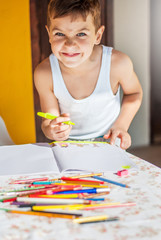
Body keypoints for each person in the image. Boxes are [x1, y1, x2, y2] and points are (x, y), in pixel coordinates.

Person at [34, 0, 143, 150]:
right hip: (67, 146)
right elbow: (48, 120)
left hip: (110, 141)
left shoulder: (118, 64)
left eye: (81, 34)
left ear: (98, 35)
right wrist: (52, 130)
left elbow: (134, 93)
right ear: (49, 34)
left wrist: (121, 126)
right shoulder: (44, 73)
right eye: (59, 34)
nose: (70, 44)